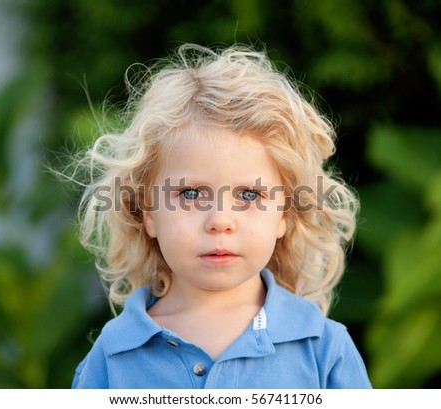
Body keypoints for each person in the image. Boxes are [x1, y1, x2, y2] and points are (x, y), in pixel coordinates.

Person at [72, 44, 372, 388]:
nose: (220, 220)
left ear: (285, 214)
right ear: (148, 213)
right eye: (190, 194)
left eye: (249, 195)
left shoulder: (323, 349)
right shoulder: (113, 356)